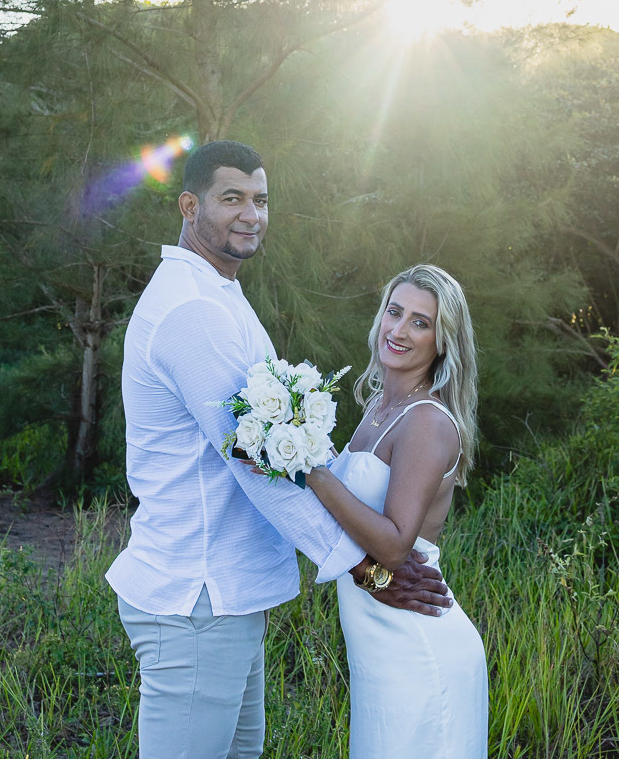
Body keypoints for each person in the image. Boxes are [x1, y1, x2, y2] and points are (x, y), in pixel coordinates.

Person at [105, 141, 451, 759]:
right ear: (190, 206)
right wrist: (364, 567)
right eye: (231, 198)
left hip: (226, 596)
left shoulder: (219, 296)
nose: (250, 214)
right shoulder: (193, 313)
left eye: (260, 200)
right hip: (197, 597)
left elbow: (278, 455)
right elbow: (257, 465)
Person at [302, 263, 488, 758]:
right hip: (378, 646)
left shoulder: (426, 421)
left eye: (420, 322)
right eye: (395, 311)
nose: (399, 330)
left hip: (418, 646)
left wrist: (311, 471)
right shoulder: (377, 410)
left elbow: (393, 543)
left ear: (442, 341)